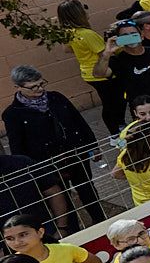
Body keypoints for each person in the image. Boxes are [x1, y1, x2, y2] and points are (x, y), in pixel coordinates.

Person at [3, 66, 104, 229]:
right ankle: (72, 231)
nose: (40, 89)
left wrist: (93, 146)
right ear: (18, 88)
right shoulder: (13, 114)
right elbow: (17, 146)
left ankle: (101, 221)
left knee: (87, 190)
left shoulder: (57, 98)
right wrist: (29, 171)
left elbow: (79, 122)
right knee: (62, 199)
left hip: (75, 154)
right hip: (47, 165)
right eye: (33, 87)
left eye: (42, 83)